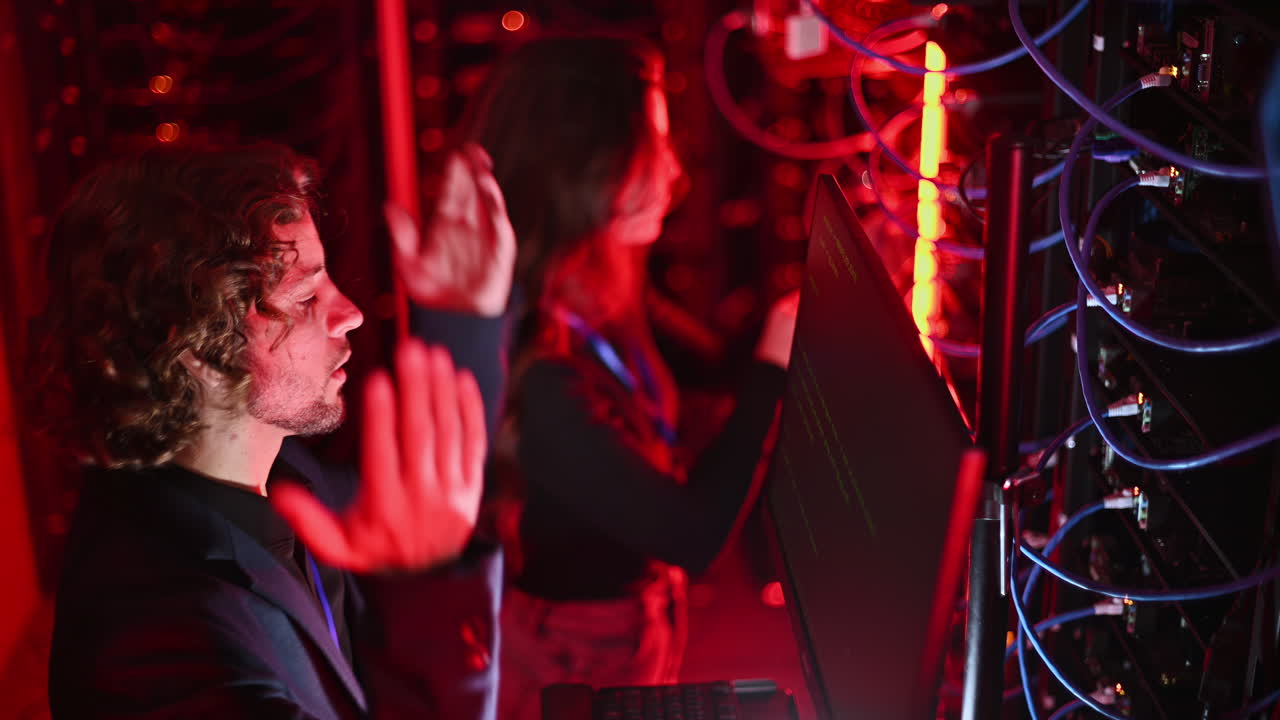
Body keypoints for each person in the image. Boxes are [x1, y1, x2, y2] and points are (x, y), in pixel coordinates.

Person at [39, 141, 515, 719]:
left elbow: (424, 489)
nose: (351, 313)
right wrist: (428, 599)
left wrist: (463, 318)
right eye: (306, 295)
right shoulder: (151, 630)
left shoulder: (285, 478)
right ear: (191, 341)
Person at [457, 36, 799, 720]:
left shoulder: (599, 280)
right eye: (652, 148)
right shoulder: (534, 366)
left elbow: (716, 364)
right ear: (583, 171)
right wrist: (774, 367)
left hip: (639, 621)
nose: (673, 173)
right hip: (574, 659)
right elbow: (692, 533)